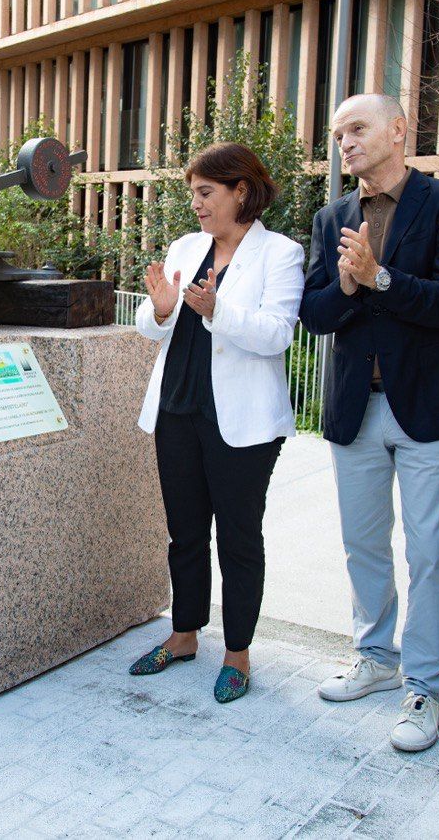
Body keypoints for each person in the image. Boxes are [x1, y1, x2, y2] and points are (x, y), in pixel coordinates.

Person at [299, 93, 439, 752]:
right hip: (357, 409)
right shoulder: (332, 217)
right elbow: (315, 313)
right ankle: (377, 658)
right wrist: (348, 287)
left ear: (399, 130)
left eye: (356, 128)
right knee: (364, 547)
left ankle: (425, 689)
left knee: (433, 556)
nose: (344, 142)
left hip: (428, 409)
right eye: (337, 132)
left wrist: (380, 279)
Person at [130, 142, 304, 703]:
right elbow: (153, 322)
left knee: (238, 538)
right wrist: (159, 309)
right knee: (184, 533)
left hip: (244, 424)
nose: (197, 205)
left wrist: (217, 310)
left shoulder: (280, 254)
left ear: (241, 191)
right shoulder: (187, 245)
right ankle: (183, 635)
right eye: (193, 194)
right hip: (177, 408)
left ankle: (237, 653)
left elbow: (278, 334)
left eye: (206, 193)